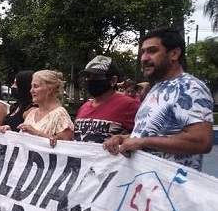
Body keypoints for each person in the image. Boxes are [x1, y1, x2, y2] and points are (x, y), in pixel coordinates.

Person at [103, 26, 213, 171]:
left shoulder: (190, 88)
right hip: (147, 186)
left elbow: (201, 141)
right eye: (143, 52)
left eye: (152, 51)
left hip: (172, 188)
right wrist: (125, 138)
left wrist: (143, 142)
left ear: (174, 53)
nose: (144, 58)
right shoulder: (156, 89)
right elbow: (152, 134)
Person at [0, 70, 74, 147]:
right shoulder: (31, 113)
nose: (31, 91)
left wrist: (35, 132)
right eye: (31, 86)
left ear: (49, 90)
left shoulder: (60, 115)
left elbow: (65, 147)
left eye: (36, 86)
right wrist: (10, 134)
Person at [74, 56, 139, 143]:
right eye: (88, 76)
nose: (90, 81)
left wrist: (122, 139)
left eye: (96, 77)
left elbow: (145, 138)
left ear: (113, 81)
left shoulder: (129, 105)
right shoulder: (83, 108)